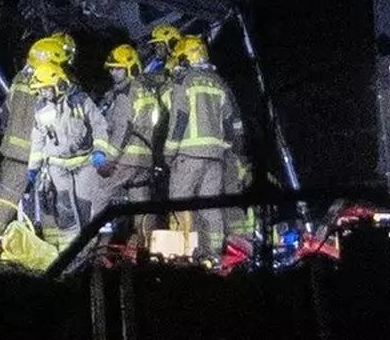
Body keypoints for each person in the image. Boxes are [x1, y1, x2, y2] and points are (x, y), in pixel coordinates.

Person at [166, 35, 245, 262]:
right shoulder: (219, 82)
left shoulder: (184, 81)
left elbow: (179, 119)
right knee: (210, 207)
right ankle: (213, 255)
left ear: (186, 58)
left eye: (180, 59)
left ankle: (182, 254)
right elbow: (230, 120)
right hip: (215, 157)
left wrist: (169, 152)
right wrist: (229, 147)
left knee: (179, 203)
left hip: (188, 155)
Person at [26, 61, 112, 250]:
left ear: (59, 83)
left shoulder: (80, 100)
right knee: (65, 210)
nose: (43, 93)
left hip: (84, 164)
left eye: (46, 88)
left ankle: (88, 250)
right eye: (40, 90)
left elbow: (99, 125)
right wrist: (33, 169)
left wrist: (99, 151)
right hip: (57, 166)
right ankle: (69, 252)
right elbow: (38, 140)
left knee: (84, 206)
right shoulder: (41, 108)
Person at [0, 36, 69, 229]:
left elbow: (6, 111)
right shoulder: (50, 85)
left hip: (12, 151)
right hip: (36, 154)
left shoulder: (19, 79)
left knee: (5, 198)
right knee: (47, 202)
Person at [98, 44, 165, 245]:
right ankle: (142, 248)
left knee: (98, 195)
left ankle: (97, 245)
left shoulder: (125, 92)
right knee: (141, 206)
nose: (113, 73)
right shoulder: (146, 90)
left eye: (118, 68)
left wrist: (109, 159)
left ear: (131, 68)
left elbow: (122, 128)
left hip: (126, 158)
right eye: (111, 69)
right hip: (145, 159)